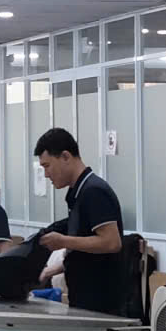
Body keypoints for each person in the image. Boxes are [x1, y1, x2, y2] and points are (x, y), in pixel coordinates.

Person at [29, 130, 128, 316]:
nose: (46, 174)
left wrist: (63, 241)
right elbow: (83, 246)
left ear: (66, 157)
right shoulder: (77, 193)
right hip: (82, 298)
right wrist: (50, 270)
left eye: (47, 166)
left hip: (101, 305)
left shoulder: (93, 191)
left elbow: (111, 242)